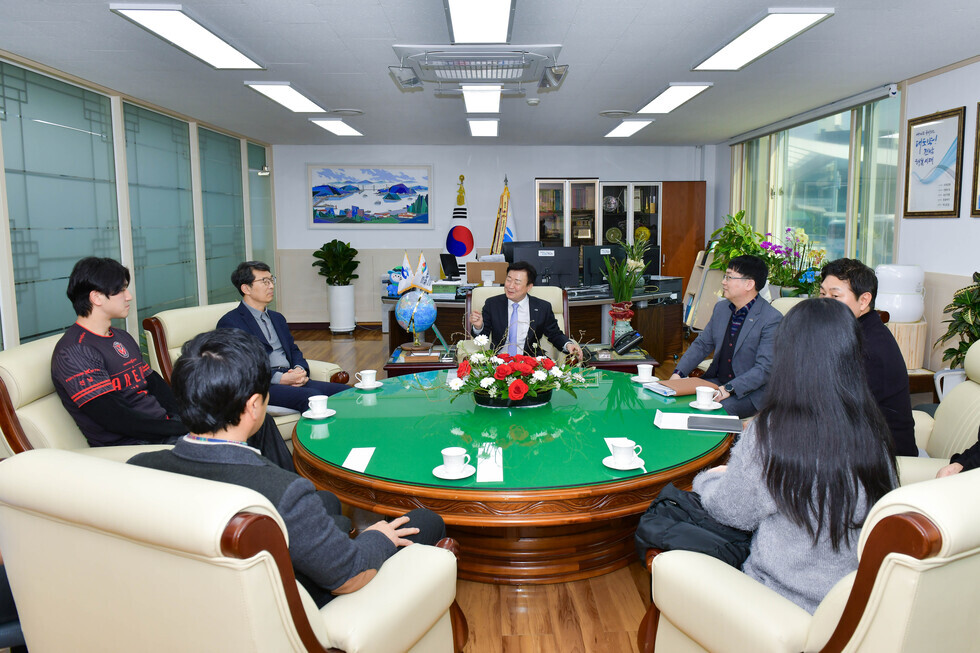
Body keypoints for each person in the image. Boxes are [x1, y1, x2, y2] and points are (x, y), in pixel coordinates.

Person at [128, 329, 446, 606]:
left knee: (328, 503)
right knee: (424, 520)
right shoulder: (282, 491)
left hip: (194, 595)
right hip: (287, 603)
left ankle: (330, 538)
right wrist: (379, 536)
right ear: (254, 407)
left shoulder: (139, 468)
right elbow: (350, 577)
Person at [692, 298, 897, 613]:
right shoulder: (872, 428)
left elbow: (733, 512)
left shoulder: (773, 431)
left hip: (779, 602)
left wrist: (706, 479)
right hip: (854, 603)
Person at [51, 257, 294, 470]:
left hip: (164, 428)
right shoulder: (75, 351)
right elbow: (116, 418)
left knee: (256, 420)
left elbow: (156, 386)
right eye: (121, 290)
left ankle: (288, 489)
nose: (129, 296)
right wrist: (180, 427)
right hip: (134, 444)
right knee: (229, 436)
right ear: (96, 297)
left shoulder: (121, 337)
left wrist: (192, 416)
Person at [217, 261, 348, 412]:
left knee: (344, 393)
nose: (271, 286)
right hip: (263, 386)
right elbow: (241, 367)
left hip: (291, 377)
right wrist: (279, 378)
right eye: (264, 281)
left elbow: (293, 350)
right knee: (312, 397)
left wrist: (300, 370)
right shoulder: (231, 322)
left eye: (271, 280)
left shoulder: (277, 318)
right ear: (246, 288)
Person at [820, 258, 917, 456]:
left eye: (835, 296)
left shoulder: (872, 348)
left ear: (864, 300)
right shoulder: (851, 330)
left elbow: (843, 412)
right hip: (854, 438)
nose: (824, 302)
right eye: (822, 293)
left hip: (882, 454)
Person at [670, 255, 781, 418]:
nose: (723, 282)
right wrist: (678, 374)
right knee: (675, 401)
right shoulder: (721, 308)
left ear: (749, 284)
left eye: (729, 277)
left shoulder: (771, 319)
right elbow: (702, 345)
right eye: (725, 276)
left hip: (750, 393)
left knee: (713, 412)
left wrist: (730, 388)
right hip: (717, 382)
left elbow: (764, 369)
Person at [468, 261, 583, 363]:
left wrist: (568, 344)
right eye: (508, 280)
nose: (510, 286)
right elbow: (482, 338)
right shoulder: (492, 304)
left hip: (531, 362)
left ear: (529, 287)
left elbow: (554, 334)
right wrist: (479, 327)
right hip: (500, 362)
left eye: (517, 282)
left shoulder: (542, 307)